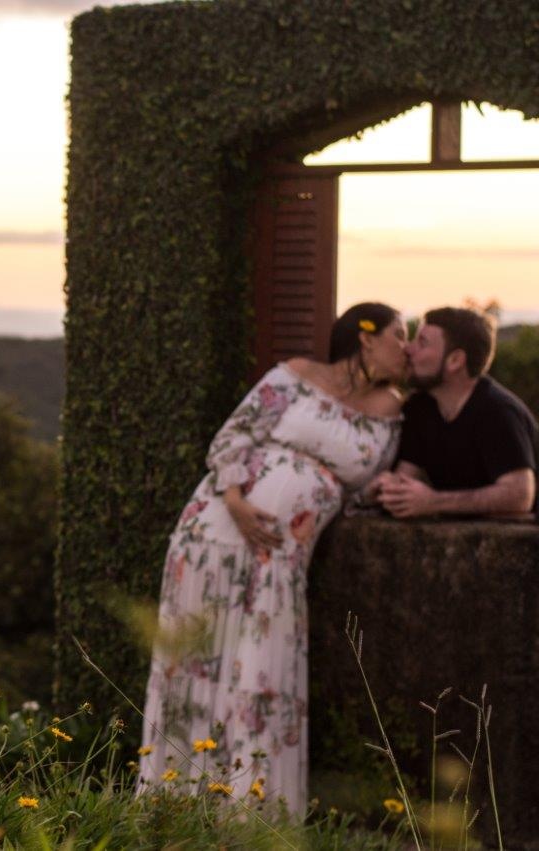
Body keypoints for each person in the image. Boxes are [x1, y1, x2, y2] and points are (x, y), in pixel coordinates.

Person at [136, 303, 408, 816]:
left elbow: (366, 486)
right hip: (215, 531)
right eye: (400, 334)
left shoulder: (392, 411)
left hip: (279, 562)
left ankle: (247, 819)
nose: (407, 347)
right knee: (191, 666)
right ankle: (171, 810)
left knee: (259, 677)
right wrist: (237, 502)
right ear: (366, 337)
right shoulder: (295, 375)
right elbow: (231, 438)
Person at [373, 307, 537, 519]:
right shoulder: (420, 407)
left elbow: (520, 495)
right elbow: (405, 476)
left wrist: (433, 502)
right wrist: (385, 488)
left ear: (455, 360)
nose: (409, 349)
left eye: (422, 343)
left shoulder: (497, 411)